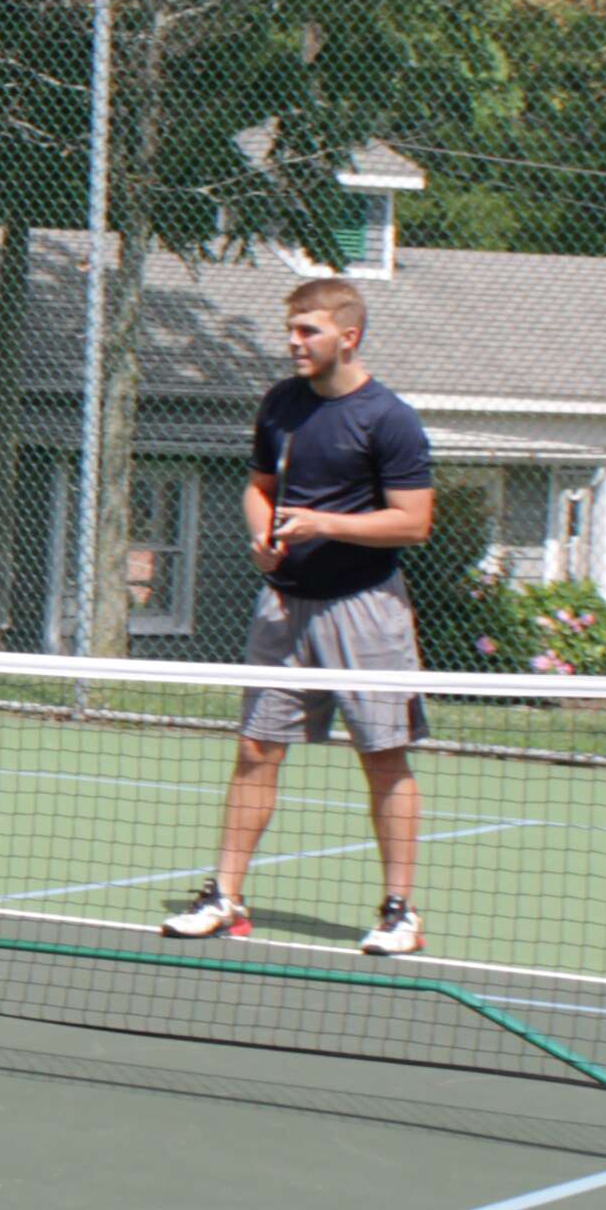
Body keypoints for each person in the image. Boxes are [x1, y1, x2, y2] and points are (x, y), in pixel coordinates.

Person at [167, 278, 436, 958]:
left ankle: (400, 911)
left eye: (308, 331)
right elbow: (259, 488)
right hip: (284, 605)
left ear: (348, 336)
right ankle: (225, 894)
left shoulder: (389, 418)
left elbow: (414, 523)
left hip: (366, 609)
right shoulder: (281, 405)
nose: (294, 342)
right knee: (256, 749)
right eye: (291, 329)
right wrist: (261, 535)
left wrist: (325, 523)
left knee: (382, 756)